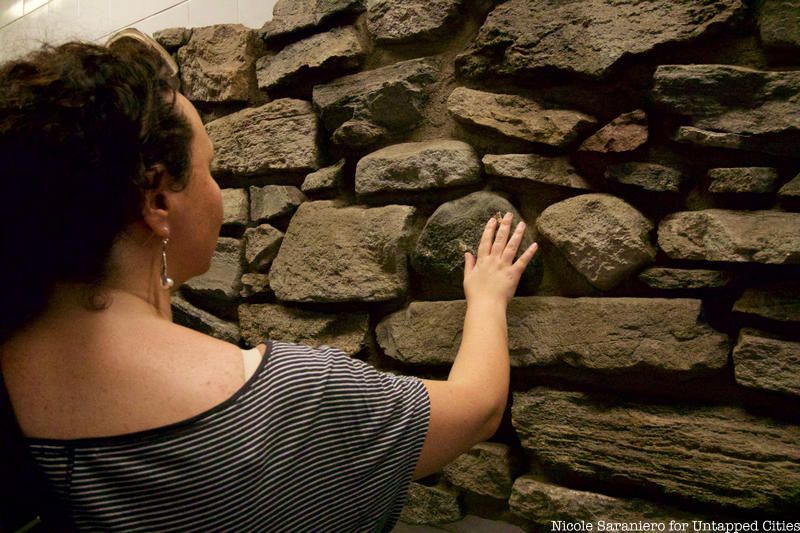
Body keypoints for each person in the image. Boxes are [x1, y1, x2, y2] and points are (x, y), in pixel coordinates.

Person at [0, 31, 539, 532]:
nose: (220, 192)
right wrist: (488, 298)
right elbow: (478, 407)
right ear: (159, 199)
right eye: (210, 169)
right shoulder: (297, 398)